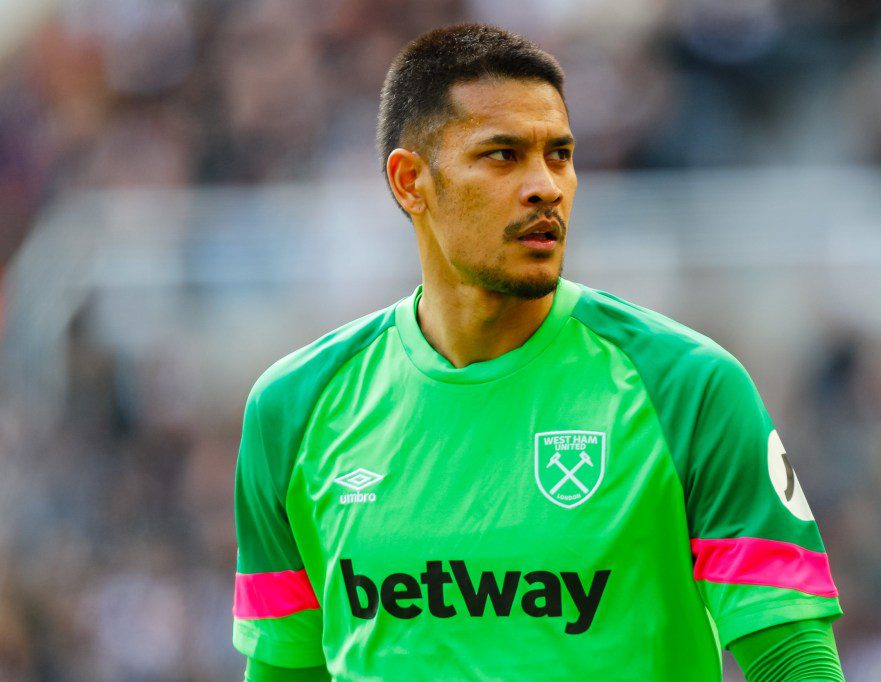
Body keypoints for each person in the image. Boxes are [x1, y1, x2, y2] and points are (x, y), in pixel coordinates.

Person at [232, 23, 844, 681]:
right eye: (503, 155)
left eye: (559, 154)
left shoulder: (688, 388)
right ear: (411, 182)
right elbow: (285, 670)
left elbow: (791, 659)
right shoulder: (293, 408)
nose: (546, 186)